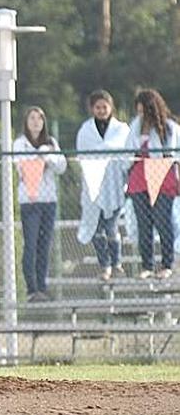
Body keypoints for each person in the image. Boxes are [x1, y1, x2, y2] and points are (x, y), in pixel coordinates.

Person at [125, 89, 180, 280]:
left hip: (163, 177)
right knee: (144, 223)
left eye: (144, 112)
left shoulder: (170, 127)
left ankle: (167, 264)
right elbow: (128, 152)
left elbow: (174, 155)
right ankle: (147, 265)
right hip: (140, 179)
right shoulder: (135, 126)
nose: (141, 116)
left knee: (163, 220)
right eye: (138, 112)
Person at [75, 90, 130, 282]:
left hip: (114, 185)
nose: (101, 110)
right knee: (96, 229)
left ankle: (116, 263)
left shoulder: (121, 129)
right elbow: (82, 155)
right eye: (97, 107)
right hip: (93, 186)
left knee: (111, 226)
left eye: (104, 107)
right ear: (92, 109)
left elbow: (127, 154)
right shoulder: (85, 130)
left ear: (110, 107)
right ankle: (104, 265)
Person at [14, 107, 67, 302]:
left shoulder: (51, 142)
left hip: (49, 200)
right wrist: (41, 154)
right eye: (32, 118)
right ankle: (31, 288)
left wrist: (48, 154)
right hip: (30, 201)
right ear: (26, 122)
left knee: (45, 245)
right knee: (31, 245)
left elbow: (61, 166)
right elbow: (22, 167)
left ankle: (42, 286)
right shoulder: (19, 143)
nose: (36, 122)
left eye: (39, 118)